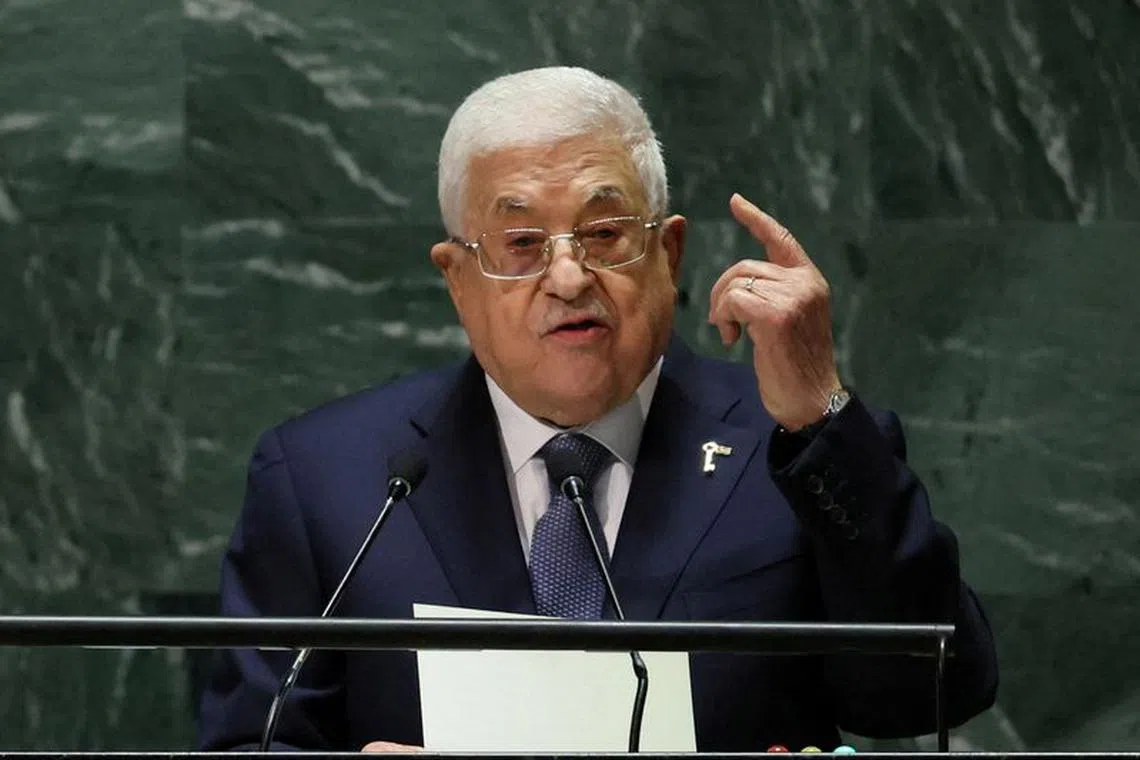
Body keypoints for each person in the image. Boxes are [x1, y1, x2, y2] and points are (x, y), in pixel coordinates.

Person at [197, 66, 998, 753]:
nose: (570, 277)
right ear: (457, 280)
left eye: (606, 232)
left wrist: (821, 416)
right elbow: (249, 743)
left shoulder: (792, 446)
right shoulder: (324, 479)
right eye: (520, 245)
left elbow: (933, 691)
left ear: (670, 254)